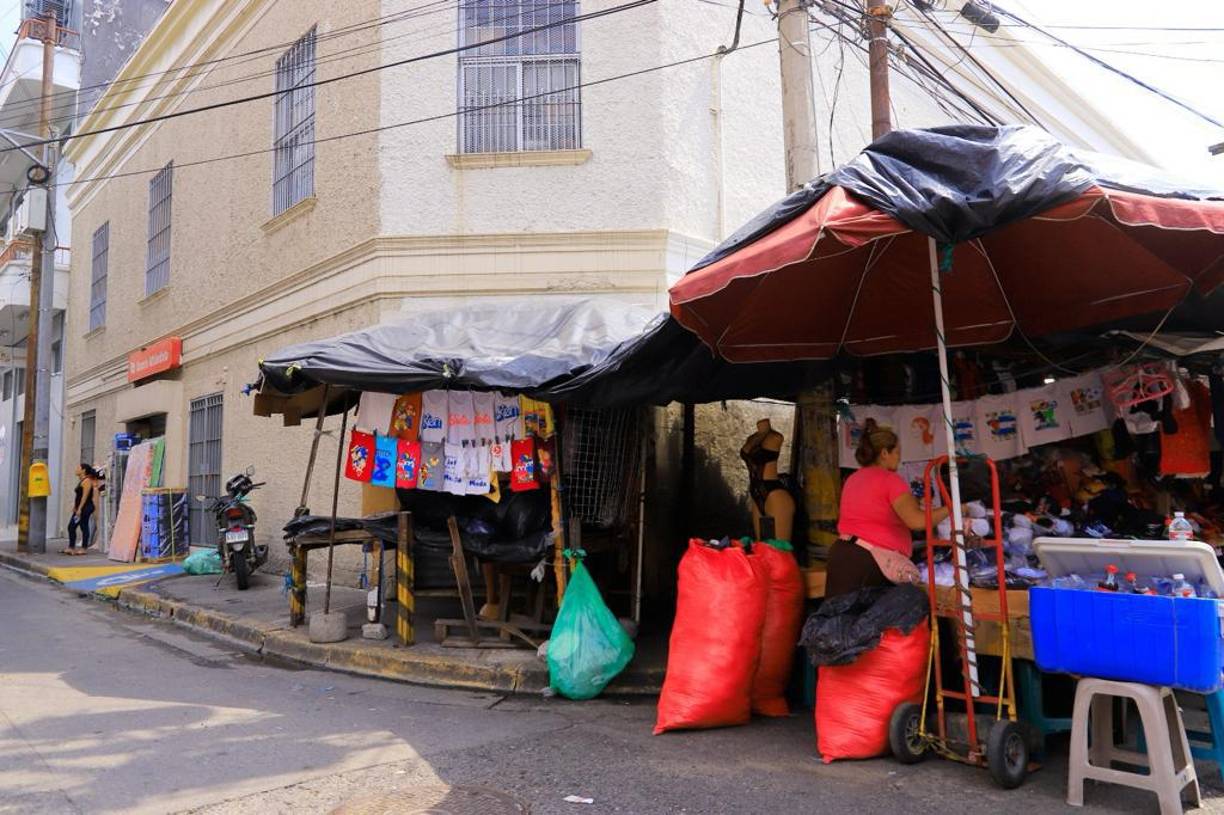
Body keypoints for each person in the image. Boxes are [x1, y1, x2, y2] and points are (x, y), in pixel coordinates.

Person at [825, 419, 958, 598]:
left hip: (841, 555)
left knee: (841, 620)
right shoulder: (890, 480)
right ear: (884, 453)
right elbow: (917, 521)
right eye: (897, 452)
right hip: (869, 563)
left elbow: (874, 512)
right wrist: (953, 507)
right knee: (875, 621)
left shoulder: (853, 478)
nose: (899, 458)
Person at [64, 464, 100, 556]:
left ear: (83, 470)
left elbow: (85, 496)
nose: (76, 469)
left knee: (76, 526)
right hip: (80, 507)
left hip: (85, 507)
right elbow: (78, 496)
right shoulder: (81, 481)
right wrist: (75, 507)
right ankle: (72, 547)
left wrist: (80, 508)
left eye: (78, 468)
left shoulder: (87, 481)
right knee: (77, 526)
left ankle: (82, 548)